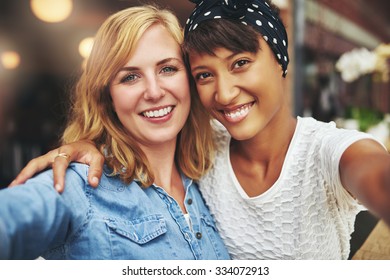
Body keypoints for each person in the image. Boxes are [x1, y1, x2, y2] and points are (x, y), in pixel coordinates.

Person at [10, 0, 390, 260]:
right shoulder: (86, 183)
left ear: (281, 60)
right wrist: (86, 144)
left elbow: (370, 171)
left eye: (240, 62)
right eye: (205, 75)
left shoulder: (211, 164)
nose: (223, 93)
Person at [0, 5, 230, 260]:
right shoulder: (81, 184)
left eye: (168, 69)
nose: (154, 92)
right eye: (130, 77)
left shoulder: (209, 181)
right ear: (107, 97)